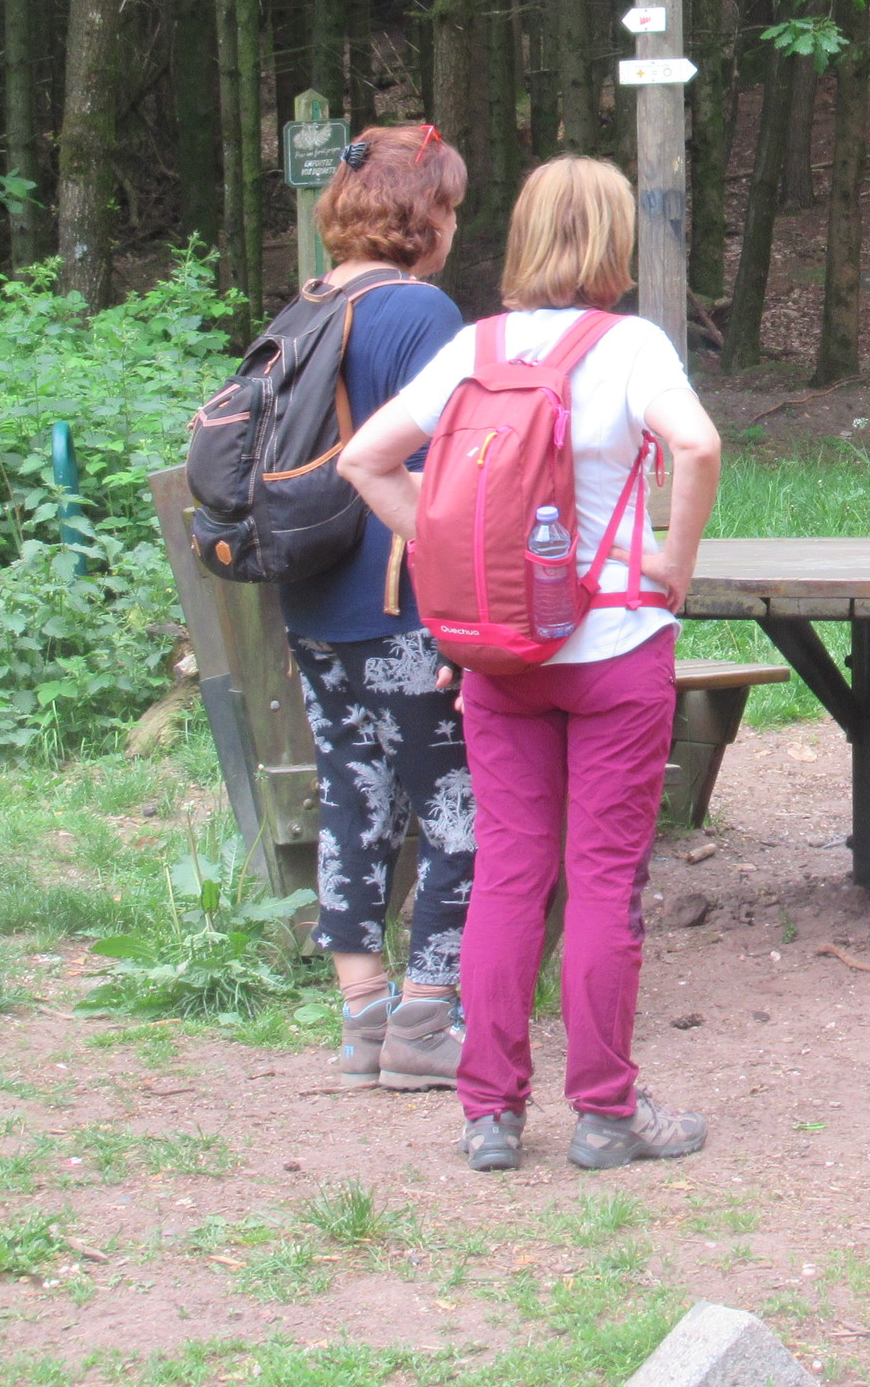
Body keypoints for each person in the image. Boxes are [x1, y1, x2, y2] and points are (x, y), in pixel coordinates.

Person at [338, 156, 723, 1172]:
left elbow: (363, 458)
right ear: (614, 242)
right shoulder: (631, 346)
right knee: (602, 881)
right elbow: (697, 447)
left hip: (501, 656)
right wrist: (675, 564)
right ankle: (605, 1112)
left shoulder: (476, 347)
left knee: (509, 877)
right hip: (615, 649)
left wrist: (447, 557)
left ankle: (491, 1114)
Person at [273, 123, 474, 1093]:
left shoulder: (307, 304)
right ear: (422, 213)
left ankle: (363, 1021)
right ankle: (428, 1019)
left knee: (353, 803)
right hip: (399, 607)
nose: (455, 227)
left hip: (313, 601)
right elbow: (439, 479)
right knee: (460, 811)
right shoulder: (421, 311)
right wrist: (463, 613)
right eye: (451, 208)